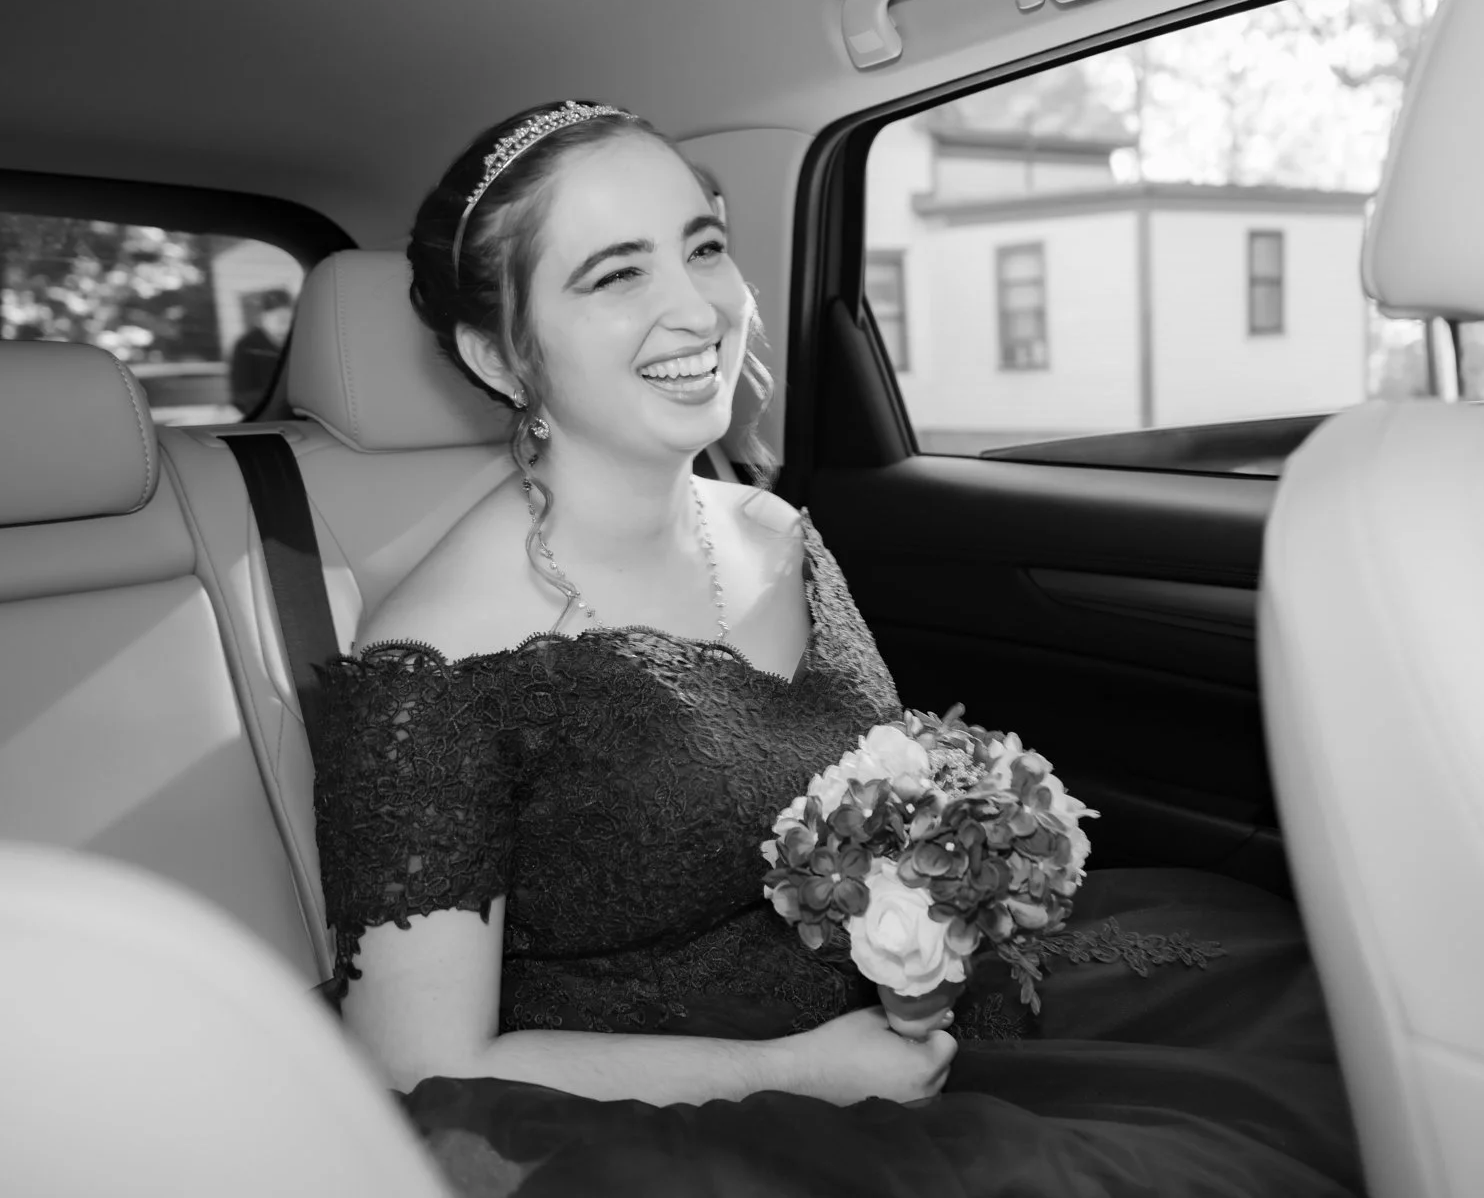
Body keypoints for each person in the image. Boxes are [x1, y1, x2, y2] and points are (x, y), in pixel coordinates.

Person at [311, 99, 1365, 1197]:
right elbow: (417, 1064)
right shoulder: (431, 663)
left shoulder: (775, 531)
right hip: (680, 1115)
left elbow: (886, 792)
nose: (697, 306)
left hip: (912, 1017)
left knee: (1317, 998)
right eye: (616, 274)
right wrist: (796, 1074)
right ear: (498, 353)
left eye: (705, 247)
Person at [228, 289, 293, 415]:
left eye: (287, 319)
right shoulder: (246, 345)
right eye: (278, 318)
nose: (284, 325)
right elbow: (242, 393)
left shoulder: (298, 342)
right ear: (262, 317)